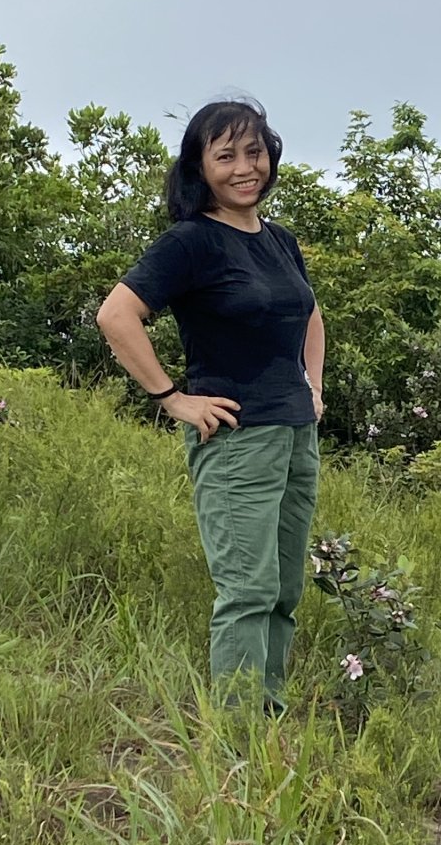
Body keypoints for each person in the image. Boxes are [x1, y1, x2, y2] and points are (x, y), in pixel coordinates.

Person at [96, 99, 324, 715]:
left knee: (283, 589)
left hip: (296, 435)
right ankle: (235, 738)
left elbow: (309, 314)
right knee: (247, 590)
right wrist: (173, 399)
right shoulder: (191, 242)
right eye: (226, 156)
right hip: (236, 437)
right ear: (201, 167)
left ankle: (266, 716)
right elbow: (116, 316)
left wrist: (314, 385)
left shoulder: (280, 241)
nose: (244, 168)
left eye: (254, 152)